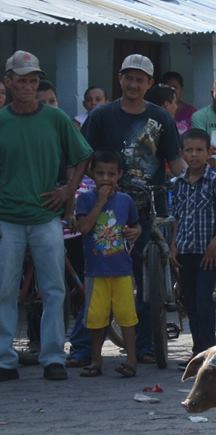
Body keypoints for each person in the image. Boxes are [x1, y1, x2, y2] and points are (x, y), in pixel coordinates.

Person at [81, 53, 185, 365]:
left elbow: (175, 161)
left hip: (148, 204)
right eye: (129, 77)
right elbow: (84, 159)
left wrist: (193, 177)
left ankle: (146, 345)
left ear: (150, 83)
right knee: (98, 276)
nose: (134, 83)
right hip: (108, 209)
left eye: (140, 79)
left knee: (146, 279)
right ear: (120, 79)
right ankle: (84, 348)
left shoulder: (161, 118)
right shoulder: (101, 116)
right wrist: (100, 185)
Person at [0, 50, 93, 382]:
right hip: (7, 216)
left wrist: (68, 190)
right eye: (22, 80)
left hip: (45, 216)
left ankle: (53, 356)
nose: (28, 85)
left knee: (54, 288)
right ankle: (4, 358)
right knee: (4, 289)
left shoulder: (55, 119)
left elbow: (83, 156)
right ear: (9, 82)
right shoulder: (2, 121)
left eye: (33, 79)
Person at [74, 151, 141, 377]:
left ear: (119, 175)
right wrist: (101, 200)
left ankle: (131, 361)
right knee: (95, 319)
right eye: (100, 173)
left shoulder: (125, 201)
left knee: (127, 317)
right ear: (92, 174)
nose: (106, 178)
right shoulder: (85, 199)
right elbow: (83, 227)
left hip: (121, 269)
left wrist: (136, 231)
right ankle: (96, 360)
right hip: (96, 270)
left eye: (111, 174)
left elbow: (135, 225)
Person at [170, 129, 216, 356]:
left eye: (200, 150)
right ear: (182, 153)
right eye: (189, 150)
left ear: (209, 152)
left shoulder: (214, 181)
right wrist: (173, 245)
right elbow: (177, 217)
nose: (194, 155)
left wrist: (215, 245)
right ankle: (197, 351)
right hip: (185, 250)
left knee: (203, 299)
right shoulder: (178, 183)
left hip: (207, 252)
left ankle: (208, 350)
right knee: (189, 300)